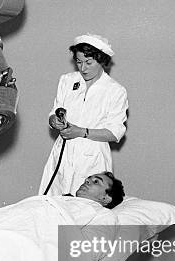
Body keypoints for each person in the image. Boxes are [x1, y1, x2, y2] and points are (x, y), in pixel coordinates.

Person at [39, 33, 128, 196]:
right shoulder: (67, 80)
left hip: (92, 159)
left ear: (102, 60)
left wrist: (81, 132)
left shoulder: (115, 91)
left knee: (85, 209)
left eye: (89, 62)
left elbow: (115, 132)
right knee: (53, 204)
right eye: (79, 62)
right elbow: (54, 111)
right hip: (62, 155)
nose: (83, 68)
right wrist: (54, 121)